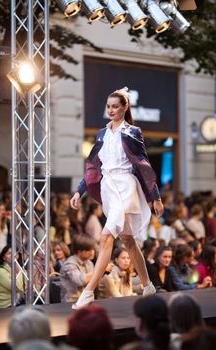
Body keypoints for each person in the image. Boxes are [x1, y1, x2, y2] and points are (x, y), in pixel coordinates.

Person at [70, 87, 164, 308]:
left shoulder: (133, 132)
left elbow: (143, 165)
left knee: (105, 237)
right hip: (109, 188)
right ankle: (148, 284)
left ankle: (89, 291)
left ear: (125, 107)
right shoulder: (102, 134)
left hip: (126, 186)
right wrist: (78, 191)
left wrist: (156, 197)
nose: (111, 110)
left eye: (115, 106)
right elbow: (94, 165)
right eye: (108, 106)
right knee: (129, 241)